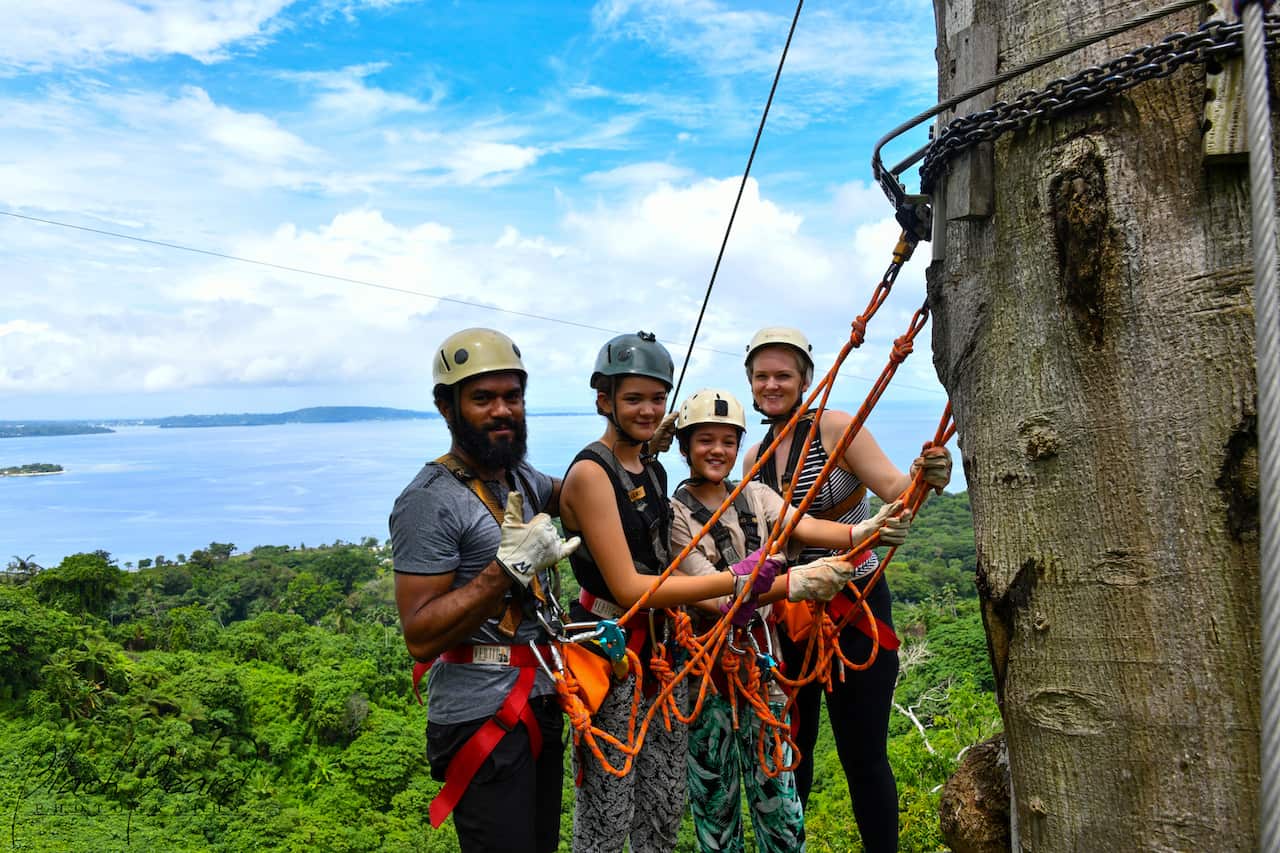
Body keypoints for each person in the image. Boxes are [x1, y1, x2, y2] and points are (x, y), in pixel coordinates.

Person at [559, 332, 858, 853]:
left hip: (666, 653)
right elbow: (633, 586)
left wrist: (881, 519)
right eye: (633, 399)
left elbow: (806, 524)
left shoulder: (650, 467)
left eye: (657, 399)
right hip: (621, 646)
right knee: (615, 802)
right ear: (603, 400)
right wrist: (765, 580)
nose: (649, 409)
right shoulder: (597, 473)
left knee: (666, 802)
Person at [668, 388, 910, 853]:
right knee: (717, 799)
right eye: (704, 441)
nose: (717, 451)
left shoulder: (756, 494)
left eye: (726, 441)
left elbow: (803, 525)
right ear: (685, 447)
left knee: (778, 791)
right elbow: (712, 592)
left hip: (764, 664)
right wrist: (791, 583)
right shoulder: (676, 514)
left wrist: (863, 532)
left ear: (739, 446)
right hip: (712, 669)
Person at [741, 327, 952, 853]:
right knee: (798, 751)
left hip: (856, 604)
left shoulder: (835, 428)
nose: (772, 384)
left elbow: (894, 492)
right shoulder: (754, 461)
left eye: (783, 375)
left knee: (864, 755)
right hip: (792, 611)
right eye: (762, 375)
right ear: (750, 381)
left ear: (805, 380)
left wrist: (928, 477)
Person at [389, 328, 580, 853]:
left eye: (512, 397)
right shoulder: (429, 500)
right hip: (481, 714)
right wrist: (507, 569)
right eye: (482, 398)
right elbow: (421, 636)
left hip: (538, 697)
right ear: (446, 408)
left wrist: (631, 448)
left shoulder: (518, 476)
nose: (502, 411)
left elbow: (582, 493)